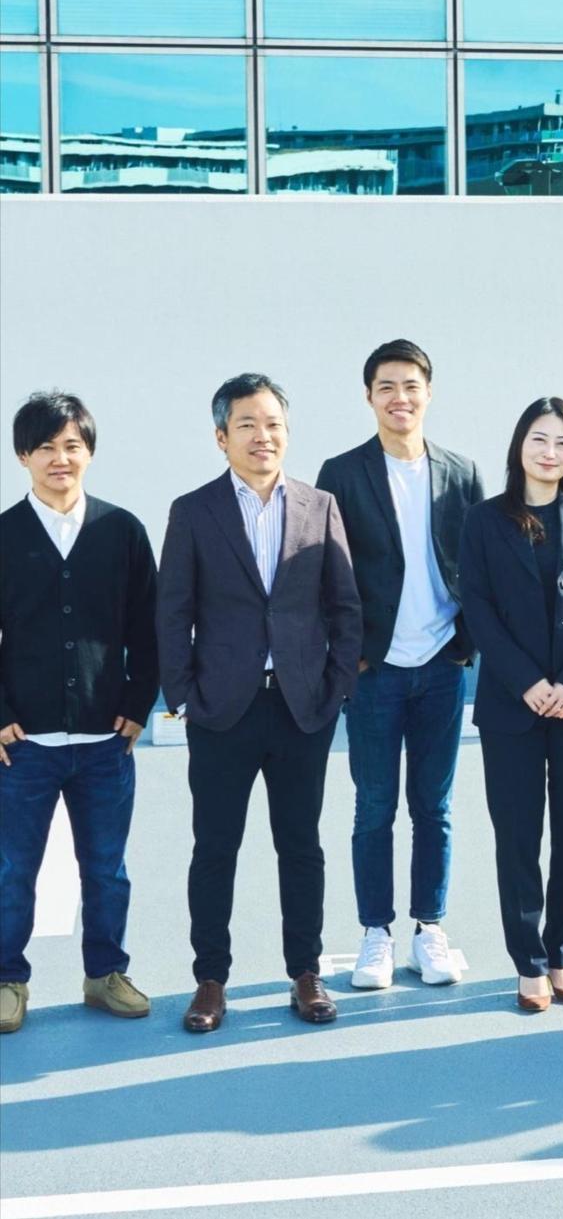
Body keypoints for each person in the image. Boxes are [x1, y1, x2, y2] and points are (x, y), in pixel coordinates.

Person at [157, 373, 361, 1033]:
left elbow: (344, 604)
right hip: (223, 710)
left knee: (301, 845)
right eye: (246, 424)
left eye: (273, 423)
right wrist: (184, 693)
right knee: (215, 847)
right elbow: (172, 610)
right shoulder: (194, 510)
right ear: (222, 437)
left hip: (302, 708)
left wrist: (336, 687)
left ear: (287, 433)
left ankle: (305, 972)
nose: (262, 435)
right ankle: (210, 980)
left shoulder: (319, 505)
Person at [316, 340, 484, 991]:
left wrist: (466, 641)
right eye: (386, 386)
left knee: (434, 807)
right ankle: (375, 932)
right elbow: (326, 570)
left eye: (411, 385)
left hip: (442, 664)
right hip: (376, 669)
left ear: (428, 393)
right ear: (369, 397)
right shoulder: (342, 472)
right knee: (374, 807)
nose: (400, 397)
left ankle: (429, 927)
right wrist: (349, 653)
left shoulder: (461, 472)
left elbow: (478, 563)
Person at [0, 392, 159, 1035]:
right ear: (23, 456)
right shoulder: (4, 535)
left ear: (89, 452)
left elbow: (148, 627)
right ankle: (7, 979)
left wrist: (137, 704)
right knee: (12, 871)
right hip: (24, 745)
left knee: (106, 870)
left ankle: (106, 974)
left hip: (103, 740)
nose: (59, 459)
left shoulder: (122, 531)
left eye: (72, 445)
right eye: (45, 447)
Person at [458, 398, 563, 1013]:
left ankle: (561, 954)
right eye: (538, 439)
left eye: (562, 442)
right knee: (518, 835)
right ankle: (527, 962)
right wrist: (527, 681)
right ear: (519, 446)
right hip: (512, 704)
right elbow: (477, 607)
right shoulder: (485, 519)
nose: (550, 452)